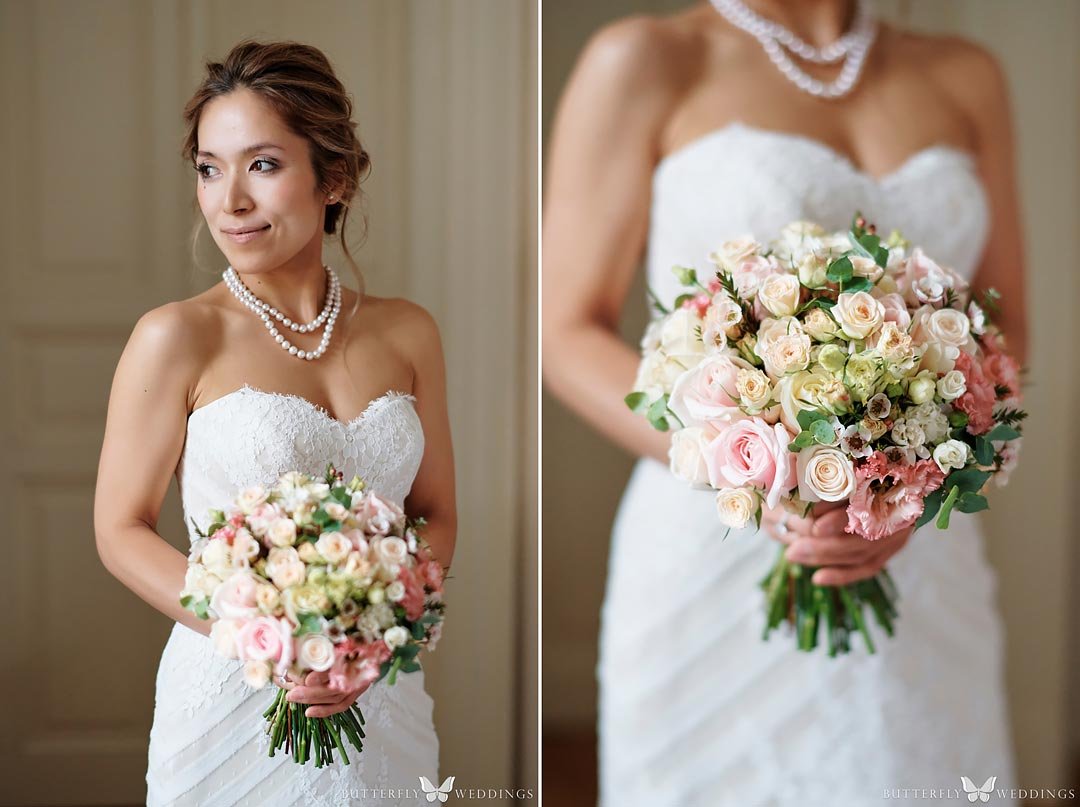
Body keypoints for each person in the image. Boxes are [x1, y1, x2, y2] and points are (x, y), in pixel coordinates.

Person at [542, 1, 1027, 804]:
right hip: (717, 541)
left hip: (922, 551)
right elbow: (565, 332)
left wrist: (907, 489)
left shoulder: (966, 75)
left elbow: (1004, 327)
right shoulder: (646, 60)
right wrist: (748, 462)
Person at [94, 40, 455, 806]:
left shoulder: (409, 332)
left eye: (261, 164)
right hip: (232, 692)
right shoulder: (176, 336)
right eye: (208, 167)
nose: (229, 200)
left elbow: (434, 513)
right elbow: (119, 529)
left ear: (337, 176)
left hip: (378, 694)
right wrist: (273, 629)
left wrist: (369, 635)